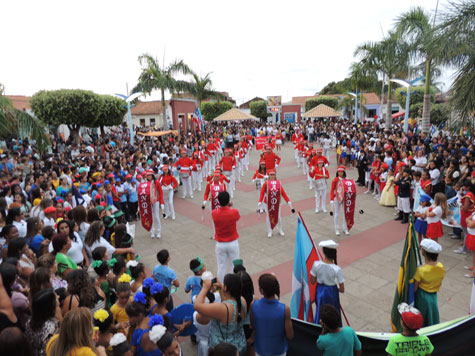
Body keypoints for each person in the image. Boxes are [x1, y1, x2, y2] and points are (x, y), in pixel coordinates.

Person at [194, 273, 247, 356]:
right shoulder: (242, 300)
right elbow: (227, 302)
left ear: (226, 287)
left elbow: (197, 306)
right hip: (240, 345)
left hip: (225, 351)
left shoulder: (223, 309)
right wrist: (221, 289)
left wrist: (204, 288)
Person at [251, 273, 293, 356]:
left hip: (260, 350)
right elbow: (290, 335)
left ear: (261, 290)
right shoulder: (285, 309)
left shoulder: (253, 306)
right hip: (279, 351)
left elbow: (253, 327)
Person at [310, 240, 344, 325]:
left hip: (320, 290)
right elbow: (342, 289)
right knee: (333, 311)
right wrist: (335, 289)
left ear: (324, 252)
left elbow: (312, 281)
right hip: (332, 291)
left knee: (320, 311)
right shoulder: (337, 269)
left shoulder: (316, 264)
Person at [414, 239, 445, 327]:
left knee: (422, 316)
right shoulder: (441, 266)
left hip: (422, 296)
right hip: (433, 295)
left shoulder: (421, 270)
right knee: (432, 314)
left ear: (424, 253)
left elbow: (415, 288)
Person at [212, 191, 241, 283]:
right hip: (232, 242)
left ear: (219, 201)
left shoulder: (214, 213)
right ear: (229, 201)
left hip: (220, 243)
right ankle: (235, 284)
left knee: (221, 266)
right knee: (235, 265)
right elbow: (237, 217)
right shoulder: (234, 212)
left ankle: (222, 286)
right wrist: (230, 206)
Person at [258, 169, 293, 238]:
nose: (272, 176)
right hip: (267, 203)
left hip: (276, 203)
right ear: (268, 176)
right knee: (268, 217)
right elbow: (262, 193)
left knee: (278, 217)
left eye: (273, 175)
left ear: (275, 175)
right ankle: (270, 231)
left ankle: (280, 229)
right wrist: (260, 202)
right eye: (271, 175)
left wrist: (288, 201)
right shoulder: (266, 184)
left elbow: (283, 193)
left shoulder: (278, 183)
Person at [144, 170, 165, 239]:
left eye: (149, 175)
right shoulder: (145, 183)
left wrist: (162, 203)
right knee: (150, 217)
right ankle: (152, 231)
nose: (148, 177)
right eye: (147, 175)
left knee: (156, 216)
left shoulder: (157, 182)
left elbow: (161, 193)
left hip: (156, 201)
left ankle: (158, 231)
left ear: (152, 175)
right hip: (148, 202)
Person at [329, 166, 349, 236]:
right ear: (337, 172)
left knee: (345, 214)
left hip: (344, 198)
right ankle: (336, 229)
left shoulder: (346, 180)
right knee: (337, 214)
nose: (340, 173)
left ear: (344, 172)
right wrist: (331, 199)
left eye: (342, 172)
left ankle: (345, 228)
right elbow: (332, 190)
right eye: (339, 172)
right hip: (337, 198)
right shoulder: (335, 180)